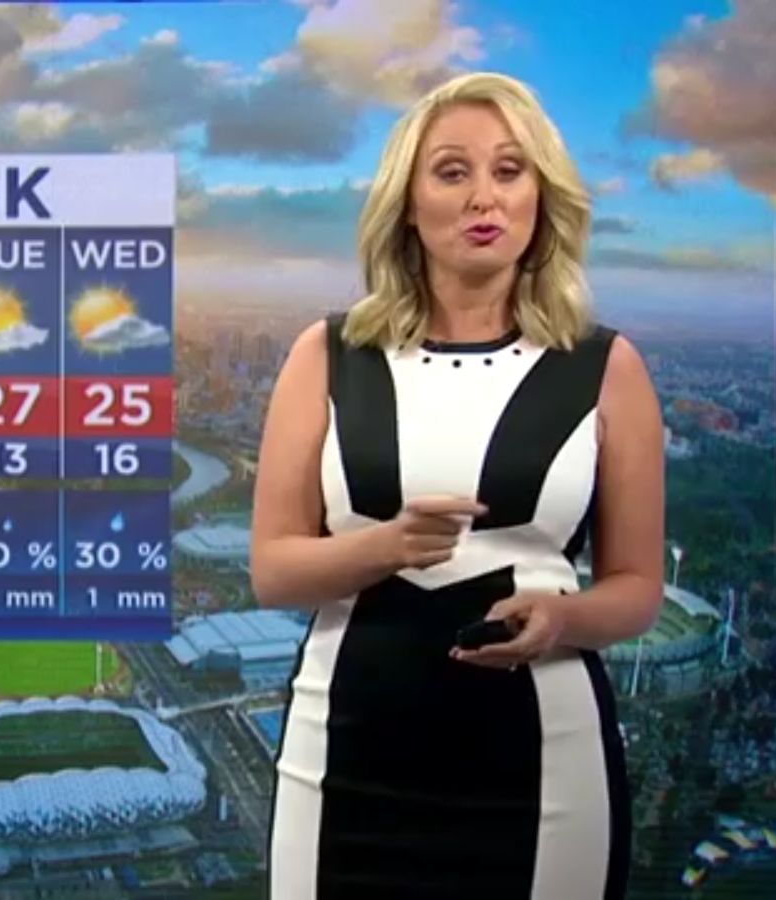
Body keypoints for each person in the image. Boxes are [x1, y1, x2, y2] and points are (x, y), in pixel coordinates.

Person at [252, 71, 665, 899]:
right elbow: (273, 571)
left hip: (544, 767)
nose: (485, 196)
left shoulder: (608, 368)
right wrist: (385, 547)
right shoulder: (326, 356)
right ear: (407, 203)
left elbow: (637, 588)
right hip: (344, 759)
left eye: (509, 171)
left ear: (541, 197)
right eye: (452, 171)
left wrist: (562, 618)